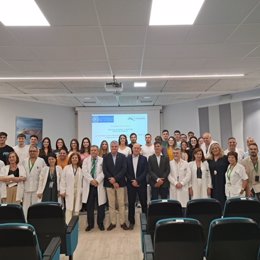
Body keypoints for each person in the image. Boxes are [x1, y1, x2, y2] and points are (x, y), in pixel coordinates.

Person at [103, 140, 128, 231]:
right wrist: (113, 181)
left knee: (121, 204)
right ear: (110, 147)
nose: (114, 148)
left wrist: (116, 179)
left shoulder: (123, 157)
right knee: (111, 204)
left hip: (120, 184)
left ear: (118, 147)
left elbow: (124, 169)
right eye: (112, 147)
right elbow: (105, 170)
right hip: (109, 184)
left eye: (115, 146)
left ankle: (122, 223)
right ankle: (112, 223)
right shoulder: (105, 157)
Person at [82, 145, 106, 231]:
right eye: (92, 150)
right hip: (90, 186)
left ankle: (100, 223)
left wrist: (97, 181)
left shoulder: (102, 160)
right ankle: (90, 224)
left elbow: (104, 172)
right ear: (90, 151)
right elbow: (84, 172)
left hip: (99, 185)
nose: (93, 152)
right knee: (90, 206)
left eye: (95, 150)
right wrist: (92, 181)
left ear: (98, 151)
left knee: (101, 206)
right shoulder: (85, 160)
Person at [126, 143, 148, 230]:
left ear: (140, 150)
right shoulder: (127, 158)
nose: (136, 149)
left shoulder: (144, 158)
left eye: (138, 148)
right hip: (131, 184)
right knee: (131, 203)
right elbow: (126, 171)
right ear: (132, 149)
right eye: (135, 148)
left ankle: (145, 222)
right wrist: (132, 181)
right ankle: (131, 222)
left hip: (141, 184)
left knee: (144, 203)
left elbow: (145, 171)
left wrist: (137, 180)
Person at [22, 145, 46, 218]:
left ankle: (36, 222)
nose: (32, 152)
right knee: (25, 208)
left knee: (36, 207)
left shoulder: (41, 161)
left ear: (37, 152)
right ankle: (26, 222)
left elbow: (44, 176)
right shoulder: (24, 161)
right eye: (30, 151)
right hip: (26, 188)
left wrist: (41, 190)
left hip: (37, 189)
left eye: (34, 151)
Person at [60, 152, 82, 224]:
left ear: (78, 159)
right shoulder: (67, 168)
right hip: (69, 191)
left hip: (78, 192)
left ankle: (75, 226)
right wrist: (62, 190)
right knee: (69, 209)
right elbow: (63, 180)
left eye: (76, 158)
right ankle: (68, 226)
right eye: (73, 158)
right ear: (70, 159)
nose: (74, 159)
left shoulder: (80, 169)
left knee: (76, 209)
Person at [207, 143, 229, 208]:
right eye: (213, 149)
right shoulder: (209, 160)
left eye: (216, 148)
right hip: (213, 182)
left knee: (223, 197)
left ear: (219, 149)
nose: (215, 150)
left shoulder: (225, 158)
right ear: (211, 150)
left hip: (223, 181)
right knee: (214, 198)